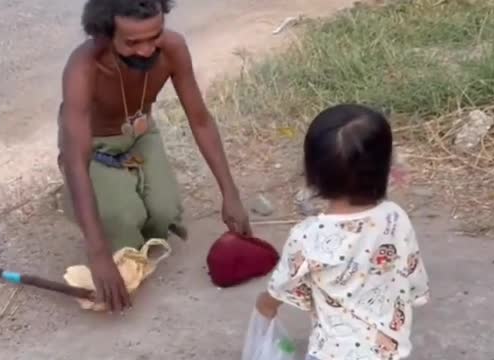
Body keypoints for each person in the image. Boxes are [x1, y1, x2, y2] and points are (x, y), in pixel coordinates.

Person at [57, 0, 251, 313]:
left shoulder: (173, 48)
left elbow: (200, 120)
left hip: (140, 133)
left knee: (163, 216)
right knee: (124, 224)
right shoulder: (83, 67)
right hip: (93, 145)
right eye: (133, 42)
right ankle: (75, 200)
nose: (147, 50)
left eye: (154, 36)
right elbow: (77, 159)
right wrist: (98, 254)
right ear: (106, 35)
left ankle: (121, 190)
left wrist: (231, 194)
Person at [255, 104, 430, 360]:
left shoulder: (308, 236)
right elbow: (413, 279)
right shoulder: (396, 218)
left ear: (312, 173)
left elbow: (283, 286)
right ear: (385, 167)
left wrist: (266, 305)